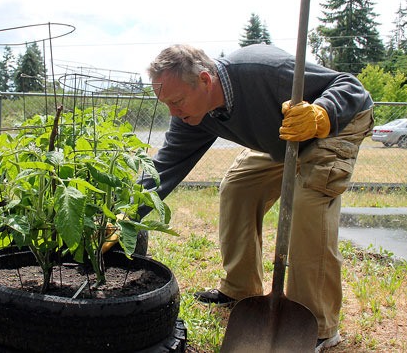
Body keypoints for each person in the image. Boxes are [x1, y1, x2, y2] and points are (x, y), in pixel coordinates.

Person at [141, 43, 374, 352]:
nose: (174, 112)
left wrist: (322, 114)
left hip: (331, 126)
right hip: (283, 138)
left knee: (307, 210)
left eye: (178, 101)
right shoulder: (193, 115)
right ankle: (241, 290)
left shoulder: (265, 71)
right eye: (167, 104)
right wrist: (124, 213)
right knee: (238, 188)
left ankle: (317, 323)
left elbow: (351, 86)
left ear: (205, 81)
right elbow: (165, 166)